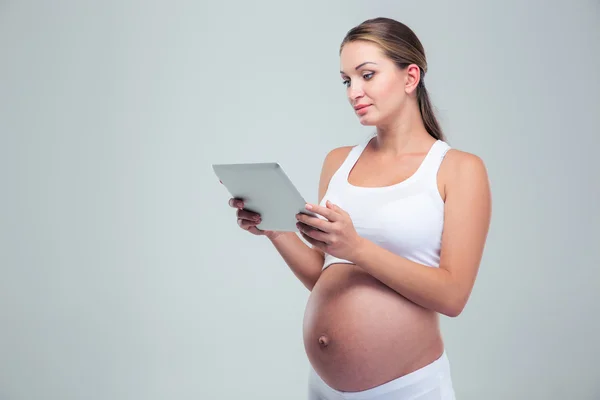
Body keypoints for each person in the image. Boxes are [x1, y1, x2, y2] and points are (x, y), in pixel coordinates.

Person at [228, 17, 491, 400]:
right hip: (324, 389)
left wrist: (357, 248)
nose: (354, 91)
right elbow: (325, 276)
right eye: (347, 80)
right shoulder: (338, 162)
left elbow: (453, 297)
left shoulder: (459, 169)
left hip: (409, 389)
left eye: (367, 75)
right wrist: (275, 231)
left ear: (410, 76)